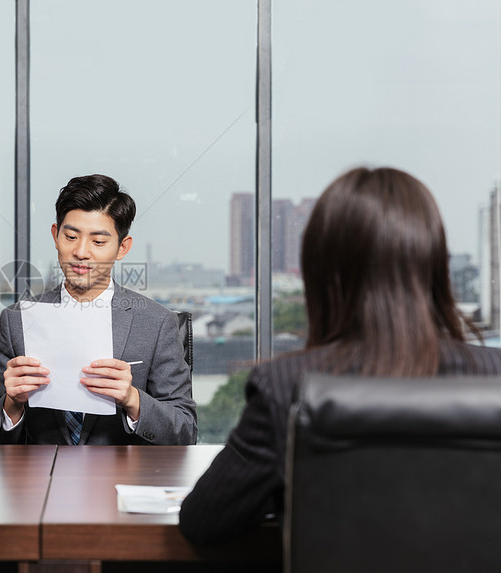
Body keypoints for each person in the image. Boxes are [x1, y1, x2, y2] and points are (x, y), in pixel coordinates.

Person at [178, 166, 501, 545]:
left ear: (321, 272)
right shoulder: (493, 378)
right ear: (434, 266)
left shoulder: (287, 387)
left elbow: (205, 524)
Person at [0, 174, 197, 445]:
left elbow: (185, 430)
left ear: (122, 247)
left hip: (122, 479)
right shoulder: (17, 320)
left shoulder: (156, 323)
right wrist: (11, 404)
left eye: (98, 241)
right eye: (70, 236)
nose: (81, 252)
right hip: (40, 479)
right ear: (55, 236)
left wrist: (132, 399)